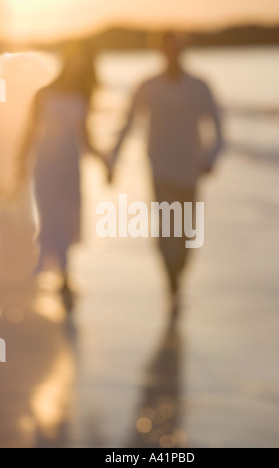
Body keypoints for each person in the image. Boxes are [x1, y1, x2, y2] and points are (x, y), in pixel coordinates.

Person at [108, 32, 223, 324]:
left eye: (177, 48)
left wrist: (211, 158)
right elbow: (128, 123)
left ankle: (178, 276)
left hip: (190, 170)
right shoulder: (147, 86)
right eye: (167, 49)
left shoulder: (199, 86)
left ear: (184, 49)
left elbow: (218, 128)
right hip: (159, 169)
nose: (172, 54)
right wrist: (113, 160)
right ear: (160, 51)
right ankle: (172, 285)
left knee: (186, 232)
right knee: (166, 230)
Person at [16, 42, 107, 293]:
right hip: (46, 163)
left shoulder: (83, 94)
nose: (77, 66)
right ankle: (47, 268)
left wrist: (103, 161)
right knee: (50, 214)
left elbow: (85, 136)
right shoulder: (44, 93)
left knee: (68, 215)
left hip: (70, 163)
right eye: (73, 59)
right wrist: (20, 162)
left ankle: (64, 272)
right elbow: (30, 131)